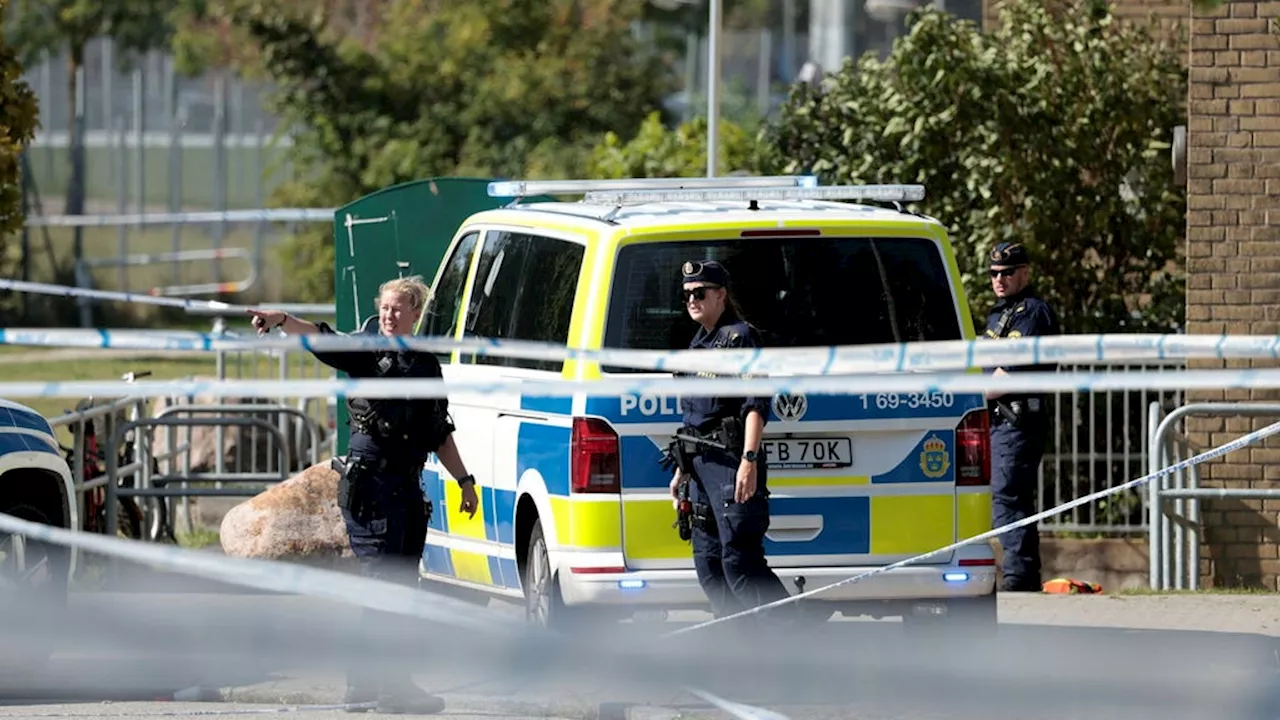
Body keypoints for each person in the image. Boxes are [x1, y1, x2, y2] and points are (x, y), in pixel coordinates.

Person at [248, 275, 479, 715]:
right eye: (386, 307)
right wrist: (281, 320)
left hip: (407, 488)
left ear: (415, 314)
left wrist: (464, 481)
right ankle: (379, 685)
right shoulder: (367, 352)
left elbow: (439, 433)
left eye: (399, 309)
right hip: (371, 487)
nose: (390, 315)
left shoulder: (427, 366)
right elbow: (322, 338)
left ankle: (377, 683)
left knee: (401, 588)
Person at [667, 259, 795, 627]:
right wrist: (681, 470)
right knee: (709, 564)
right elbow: (693, 418)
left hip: (729, 463)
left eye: (700, 293)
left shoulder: (739, 338)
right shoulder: (697, 345)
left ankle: (794, 638)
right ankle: (738, 643)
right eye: (687, 294)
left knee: (740, 560)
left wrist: (749, 460)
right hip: (700, 467)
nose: (692, 299)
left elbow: (756, 404)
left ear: (721, 295)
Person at [982, 242, 1061, 593]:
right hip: (994, 421)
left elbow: (1011, 372)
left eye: (1007, 272)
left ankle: (1020, 576)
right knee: (1002, 495)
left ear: (1025, 273)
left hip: (1017, 420)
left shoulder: (1033, 313)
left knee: (1009, 493)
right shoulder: (997, 316)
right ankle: (1018, 573)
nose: (1000, 279)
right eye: (994, 273)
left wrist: (967, 393)